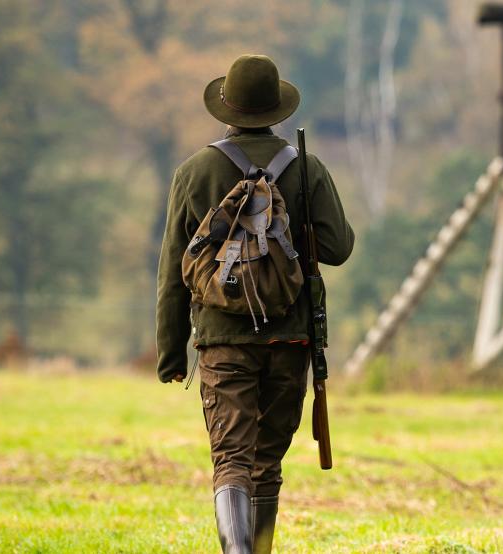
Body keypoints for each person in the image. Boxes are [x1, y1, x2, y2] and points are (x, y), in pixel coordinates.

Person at [155, 54, 355, 554]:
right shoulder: (306, 167)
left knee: (231, 459)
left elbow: (173, 271)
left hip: (222, 340)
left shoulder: (194, 171)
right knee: (267, 462)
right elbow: (339, 247)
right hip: (290, 337)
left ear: (226, 108)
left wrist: (171, 352)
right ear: (278, 109)